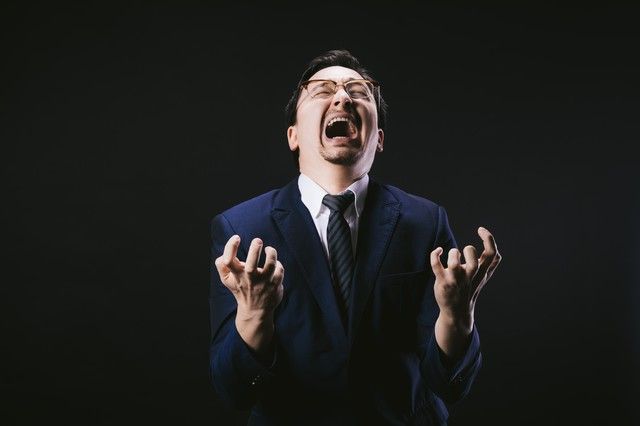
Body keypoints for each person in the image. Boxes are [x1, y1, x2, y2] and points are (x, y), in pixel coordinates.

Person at [209, 49, 501, 425]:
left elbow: (449, 385)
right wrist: (253, 314)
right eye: (322, 90)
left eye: (359, 91)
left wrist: (458, 316)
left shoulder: (425, 222)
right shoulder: (241, 228)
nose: (343, 97)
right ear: (293, 135)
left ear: (378, 138)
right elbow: (234, 391)